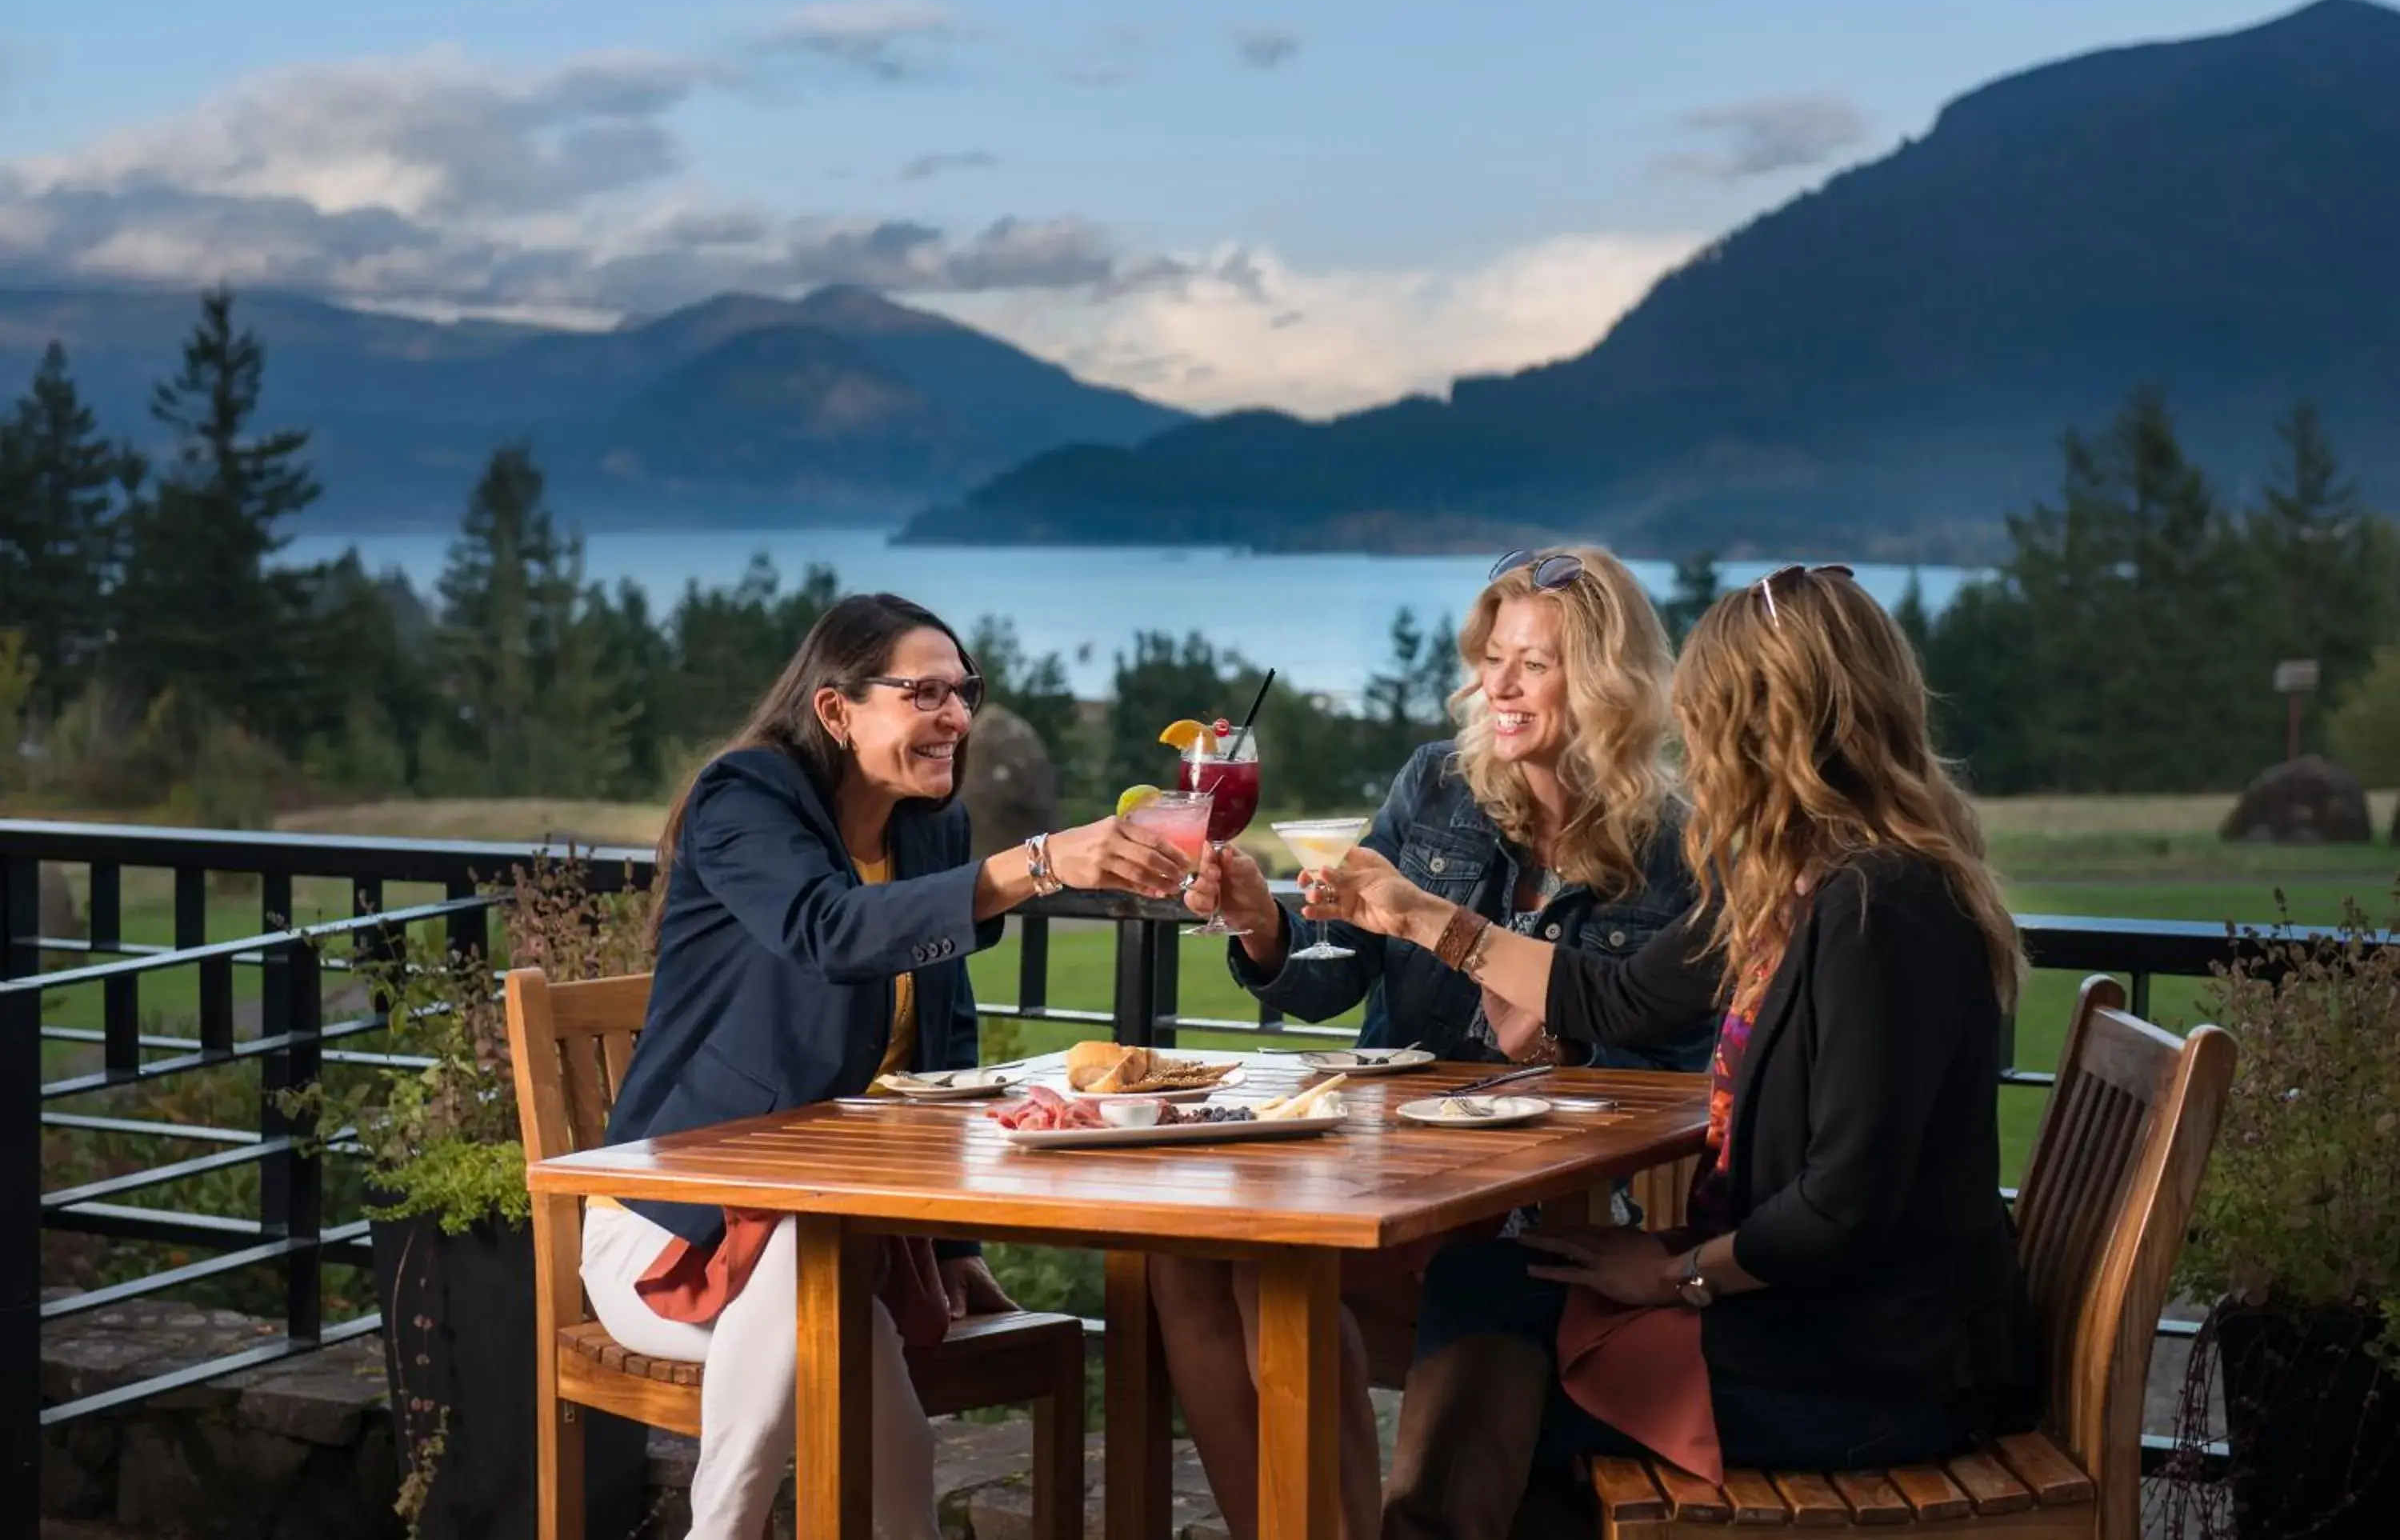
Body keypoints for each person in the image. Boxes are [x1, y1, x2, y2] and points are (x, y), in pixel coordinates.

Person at [1302, 564, 2038, 1540]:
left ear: (1766, 725)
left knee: (1510, 1396)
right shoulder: (1791, 882)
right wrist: (1428, 917)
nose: (1685, 740)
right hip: (1798, 1309)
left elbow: (1844, 1206)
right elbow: (1622, 995)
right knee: (1489, 1280)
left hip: (1864, 1362)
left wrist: (1676, 1273)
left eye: (1701, 713)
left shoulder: (1880, 908)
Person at [581, 593, 1197, 1540]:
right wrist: (1036, 863)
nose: (956, 716)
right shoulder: (745, 797)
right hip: (676, 1226)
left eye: (965, 691)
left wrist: (956, 1249)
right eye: (925, 692)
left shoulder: (928, 827)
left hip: (836, 1240)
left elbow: (946, 1037)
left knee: (880, 1411)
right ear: (836, 709)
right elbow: (827, 931)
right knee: (817, 1287)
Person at [1153, 546, 1714, 1540]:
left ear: (1605, 681)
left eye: (1532, 663)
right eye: (1492, 656)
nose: (1497, 684)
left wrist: (1570, 1046)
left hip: (1548, 1193)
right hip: (1393, 1168)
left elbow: (1676, 1068)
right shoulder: (1436, 788)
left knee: (1271, 1269)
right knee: (1194, 1260)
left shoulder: (1675, 845)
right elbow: (1339, 970)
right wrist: (1261, 926)